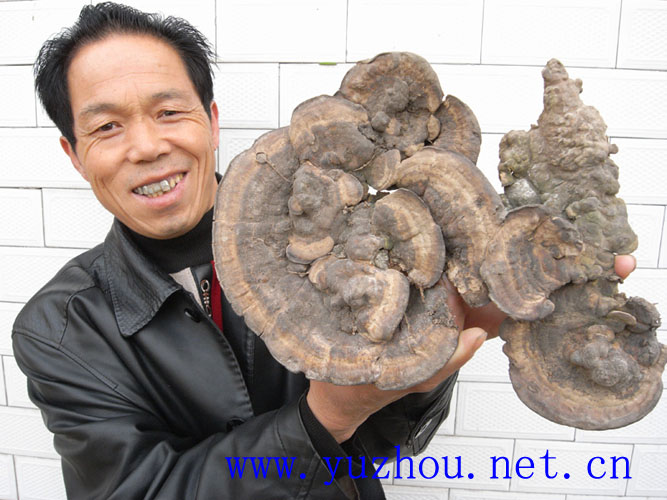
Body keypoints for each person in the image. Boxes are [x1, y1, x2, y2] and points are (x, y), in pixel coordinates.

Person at [12, 3, 636, 499]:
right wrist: (323, 420)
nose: (147, 146)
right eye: (107, 126)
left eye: (169, 111)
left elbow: (384, 447)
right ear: (74, 153)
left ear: (211, 120)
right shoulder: (60, 329)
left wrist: (425, 360)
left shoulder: (340, 234)